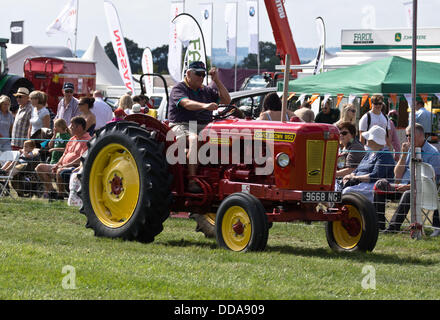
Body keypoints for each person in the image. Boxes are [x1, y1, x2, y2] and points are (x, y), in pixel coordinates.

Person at [168, 61, 230, 193]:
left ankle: (224, 175)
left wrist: (217, 80)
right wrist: (205, 106)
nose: (201, 77)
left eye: (204, 74)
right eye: (198, 74)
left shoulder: (206, 90)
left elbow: (227, 100)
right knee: (195, 139)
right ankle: (192, 180)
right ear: (189, 73)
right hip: (182, 125)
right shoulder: (179, 89)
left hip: (204, 127)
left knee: (226, 140)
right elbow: (186, 103)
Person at [374, 123, 440, 234]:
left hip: (420, 191)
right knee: (380, 184)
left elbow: (432, 181)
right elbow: (397, 176)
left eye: (410, 135)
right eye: (407, 136)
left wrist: (410, 186)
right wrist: (404, 155)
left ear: (420, 135)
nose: (407, 138)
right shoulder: (409, 150)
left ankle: (392, 228)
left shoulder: (433, 153)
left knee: (409, 193)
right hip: (401, 186)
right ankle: (378, 225)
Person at [35, 116, 91, 200]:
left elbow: (82, 158)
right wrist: (57, 164)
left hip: (75, 167)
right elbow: (64, 154)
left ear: (79, 127)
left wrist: (65, 165)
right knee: (39, 167)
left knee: (59, 171)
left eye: (72, 125)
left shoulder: (87, 140)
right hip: (62, 165)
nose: (70, 127)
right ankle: (52, 191)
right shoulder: (72, 139)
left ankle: (60, 196)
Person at [342, 125, 395, 203]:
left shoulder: (385, 155)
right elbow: (357, 169)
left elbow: (374, 176)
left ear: (374, 140)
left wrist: (355, 178)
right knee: (337, 187)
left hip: (373, 186)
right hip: (361, 183)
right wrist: (351, 176)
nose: (366, 140)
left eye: (369, 138)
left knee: (347, 191)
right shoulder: (369, 153)